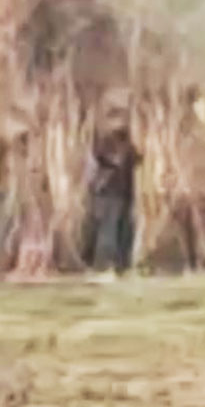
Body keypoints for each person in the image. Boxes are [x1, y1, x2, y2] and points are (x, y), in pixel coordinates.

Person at [83, 104, 141, 277]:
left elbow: (137, 160)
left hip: (124, 194)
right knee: (109, 228)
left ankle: (122, 263)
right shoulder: (106, 144)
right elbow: (104, 161)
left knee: (124, 229)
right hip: (110, 193)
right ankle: (105, 262)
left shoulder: (128, 146)